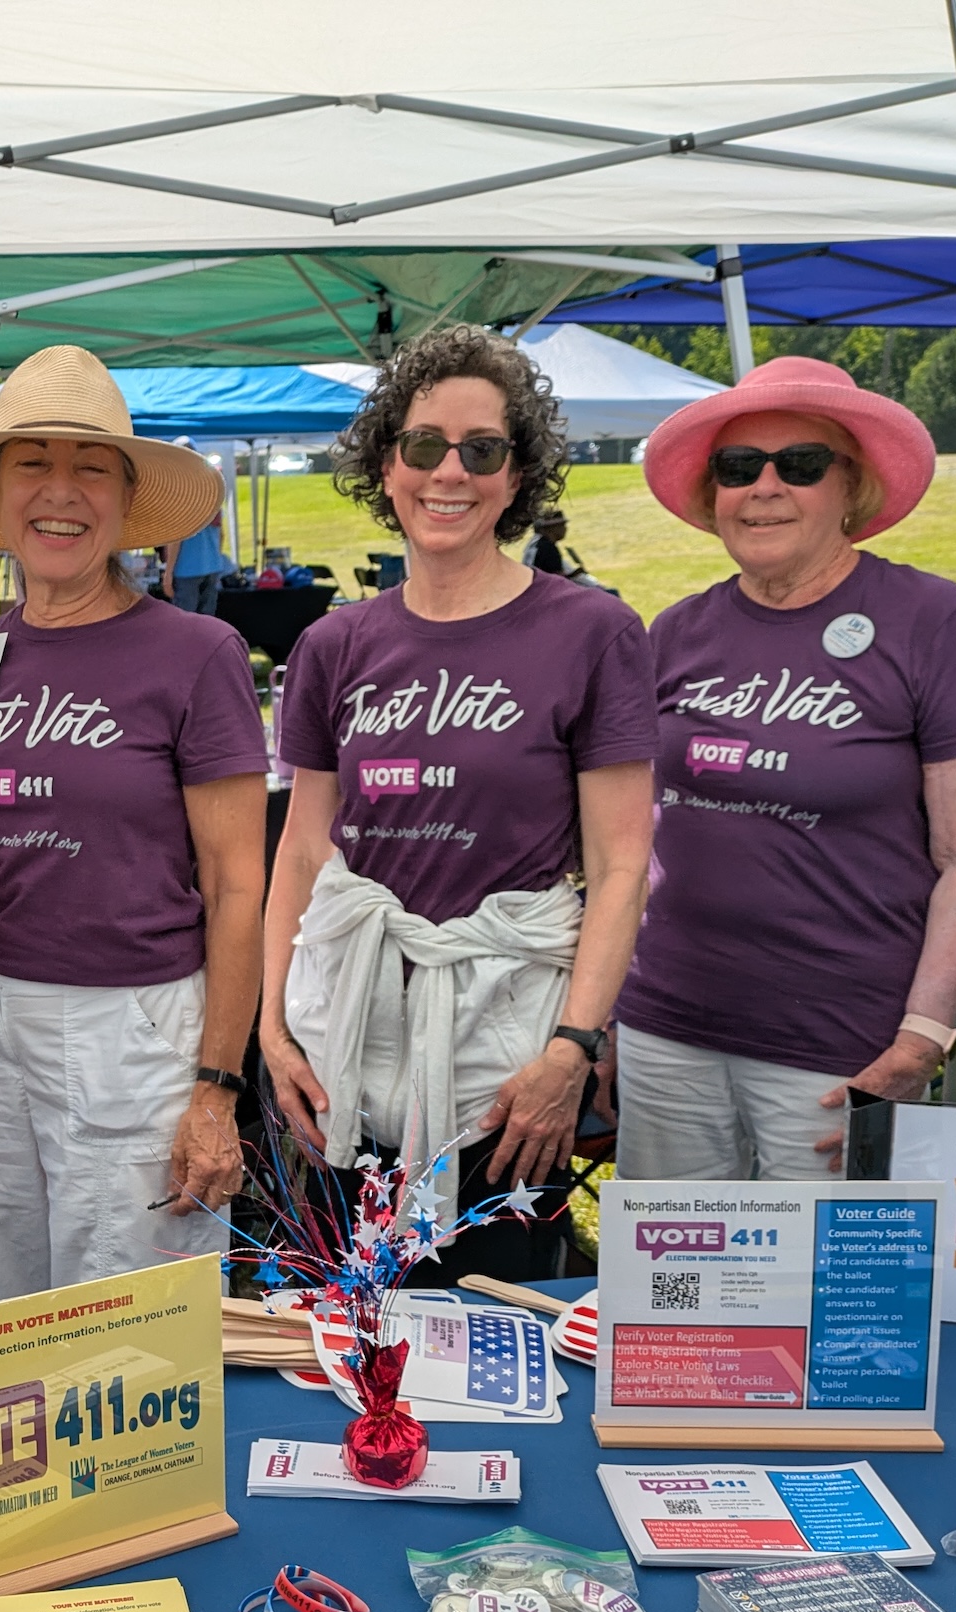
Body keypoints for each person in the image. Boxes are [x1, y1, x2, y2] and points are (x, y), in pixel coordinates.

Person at [263, 327, 657, 1280]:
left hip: (507, 1045)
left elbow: (619, 866)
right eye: (424, 444)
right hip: (346, 1035)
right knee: (348, 1316)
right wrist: (271, 1030)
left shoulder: (591, 631)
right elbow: (305, 848)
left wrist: (572, 1049)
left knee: (497, 1316)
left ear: (517, 477)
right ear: (386, 466)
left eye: (482, 450)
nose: (451, 472)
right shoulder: (335, 645)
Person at [0, 346, 269, 1301]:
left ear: (126, 494)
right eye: (32, 462)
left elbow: (236, 887)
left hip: (131, 1026)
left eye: (91, 464)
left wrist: (217, 1089)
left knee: (130, 1317)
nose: (61, 491)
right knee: (9, 1294)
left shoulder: (194, 653)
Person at [616, 355, 956, 1178]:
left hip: (841, 1046)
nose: (764, 487)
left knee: (816, 1299)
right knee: (675, 1294)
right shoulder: (677, 631)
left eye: (799, 464)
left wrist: (923, 1038)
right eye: (737, 467)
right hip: (665, 1028)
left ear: (851, 489)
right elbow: (627, 837)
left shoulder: (929, 621)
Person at [159, 513, 233, 614]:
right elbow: (221, 534)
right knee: (208, 619)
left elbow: (175, 541)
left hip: (186, 569)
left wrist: (168, 572)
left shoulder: (181, 508)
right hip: (212, 566)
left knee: (185, 620)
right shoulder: (213, 502)